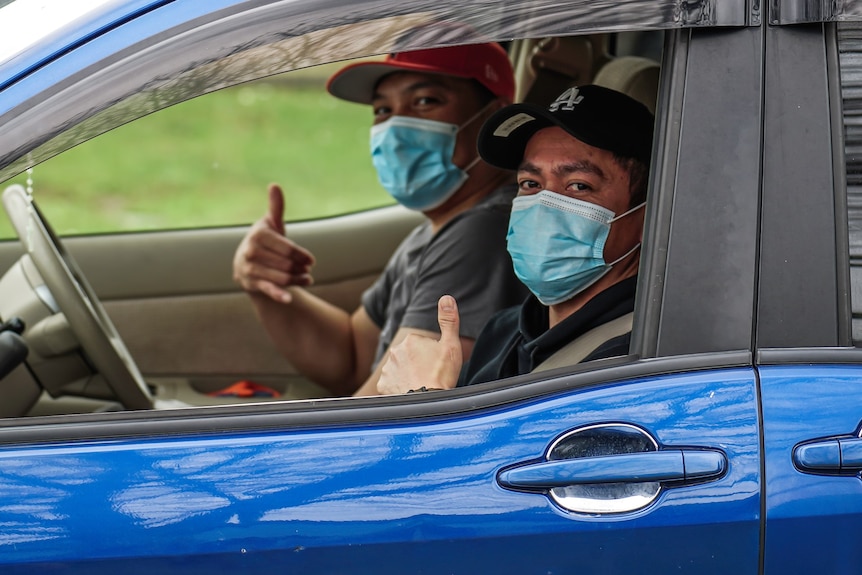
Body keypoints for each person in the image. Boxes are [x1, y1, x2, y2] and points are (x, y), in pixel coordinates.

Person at [232, 43, 529, 397]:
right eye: (383, 109)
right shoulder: (437, 228)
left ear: (492, 117)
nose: (397, 126)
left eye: (425, 102)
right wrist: (262, 284)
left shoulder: (480, 233)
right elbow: (355, 358)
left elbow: (385, 410)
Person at [376, 84, 654, 393]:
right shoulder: (505, 330)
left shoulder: (633, 361)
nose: (543, 204)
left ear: (649, 217)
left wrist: (422, 400)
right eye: (530, 183)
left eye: (578, 186)